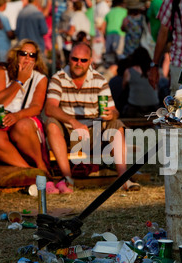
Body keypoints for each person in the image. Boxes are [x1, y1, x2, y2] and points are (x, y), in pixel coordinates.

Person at [44, 42, 141, 193]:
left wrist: (111, 114)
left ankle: (123, 178)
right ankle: (68, 178)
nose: (78, 63)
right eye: (75, 59)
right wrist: (73, 121)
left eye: (83, 60)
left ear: (90, 61)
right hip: (70, 133)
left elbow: (114, 111)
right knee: (51, 124)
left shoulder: (99, 80)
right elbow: (50, 107)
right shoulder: (58, 78)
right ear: (69, 59)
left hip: (95, 133)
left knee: (116, 123)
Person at [0, 39, 54, 186]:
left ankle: (41, 166)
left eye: (32, 55)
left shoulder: (40, 78)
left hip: (23, 120)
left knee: (23, 125)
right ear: (16, 54)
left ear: (36, 59)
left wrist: (17, 116)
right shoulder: (2, 71)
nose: (27, 58)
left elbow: (37, 107)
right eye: (23, 53)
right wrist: (19, 81)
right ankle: (30, 172)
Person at [121, 46, 159, 117]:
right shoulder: (153, 72)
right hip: (154, 107)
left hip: (134, 108)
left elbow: (123, 87)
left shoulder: (129, 71)